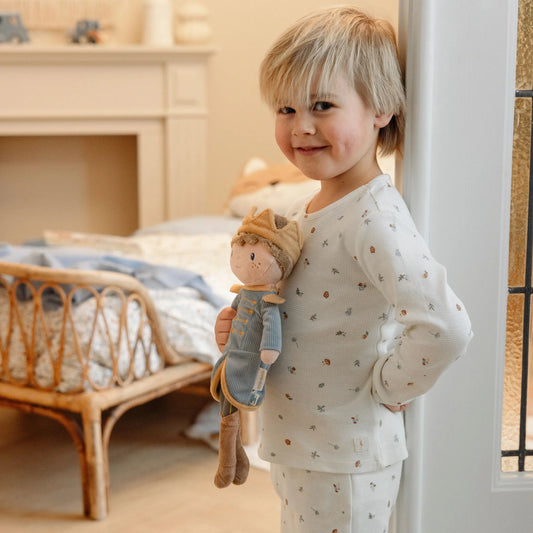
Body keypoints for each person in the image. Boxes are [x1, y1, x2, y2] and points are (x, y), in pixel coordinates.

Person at [215, 6, 473, 532]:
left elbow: (445, 327)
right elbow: (306, 311)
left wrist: (390, 388)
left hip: (345, 455)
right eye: (286, 109)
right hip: (301, 444)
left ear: (381, 109)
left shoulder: (373, 218)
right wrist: (242, 328)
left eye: (323, 106)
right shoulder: (310, 209)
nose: (301, 126)